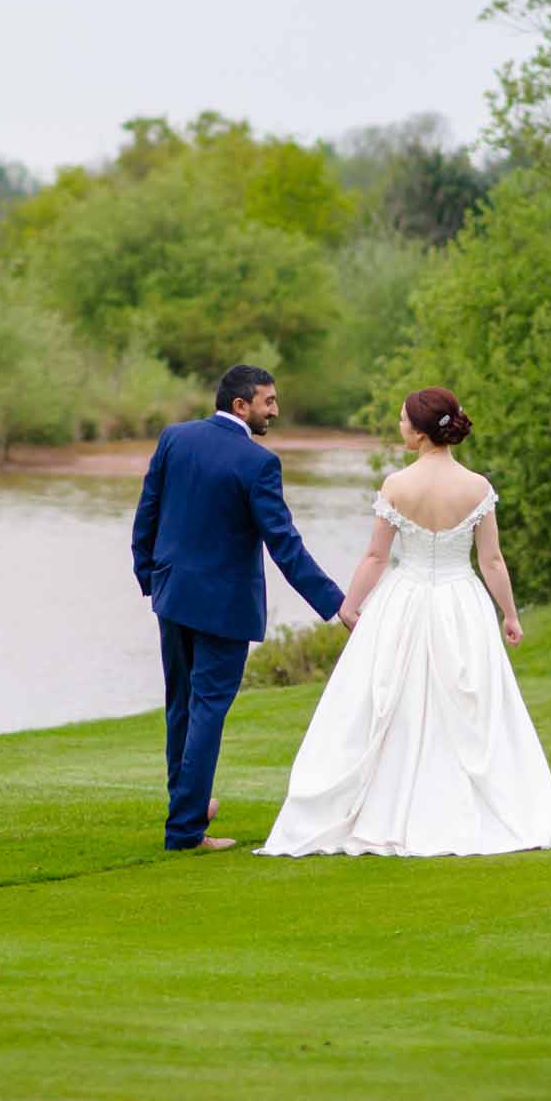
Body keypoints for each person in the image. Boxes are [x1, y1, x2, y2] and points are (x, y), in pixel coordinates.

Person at [256, 387, 551, 858]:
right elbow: (491, 560)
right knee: (465, 699)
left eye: (402, 420)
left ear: (419, 431)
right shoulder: (477, 487)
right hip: (462, 601)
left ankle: (385, 803)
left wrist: (350, 604)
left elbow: (376, 556)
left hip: (405, 598)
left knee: (392, 696)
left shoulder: (397, 485)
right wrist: (510, 614)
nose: (400, 427)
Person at [131, 364, 346, 852]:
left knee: (181, 706)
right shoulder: (258, 463)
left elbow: (147, 513)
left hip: (172, 595)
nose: (276, 410)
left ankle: (187, 805)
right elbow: (284, 543)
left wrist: (149, 576)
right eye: (269, 401)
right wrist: (335, 604)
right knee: (207, 709)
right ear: (240, 405)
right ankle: (186, 829)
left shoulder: (175, 438)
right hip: (224, 609)